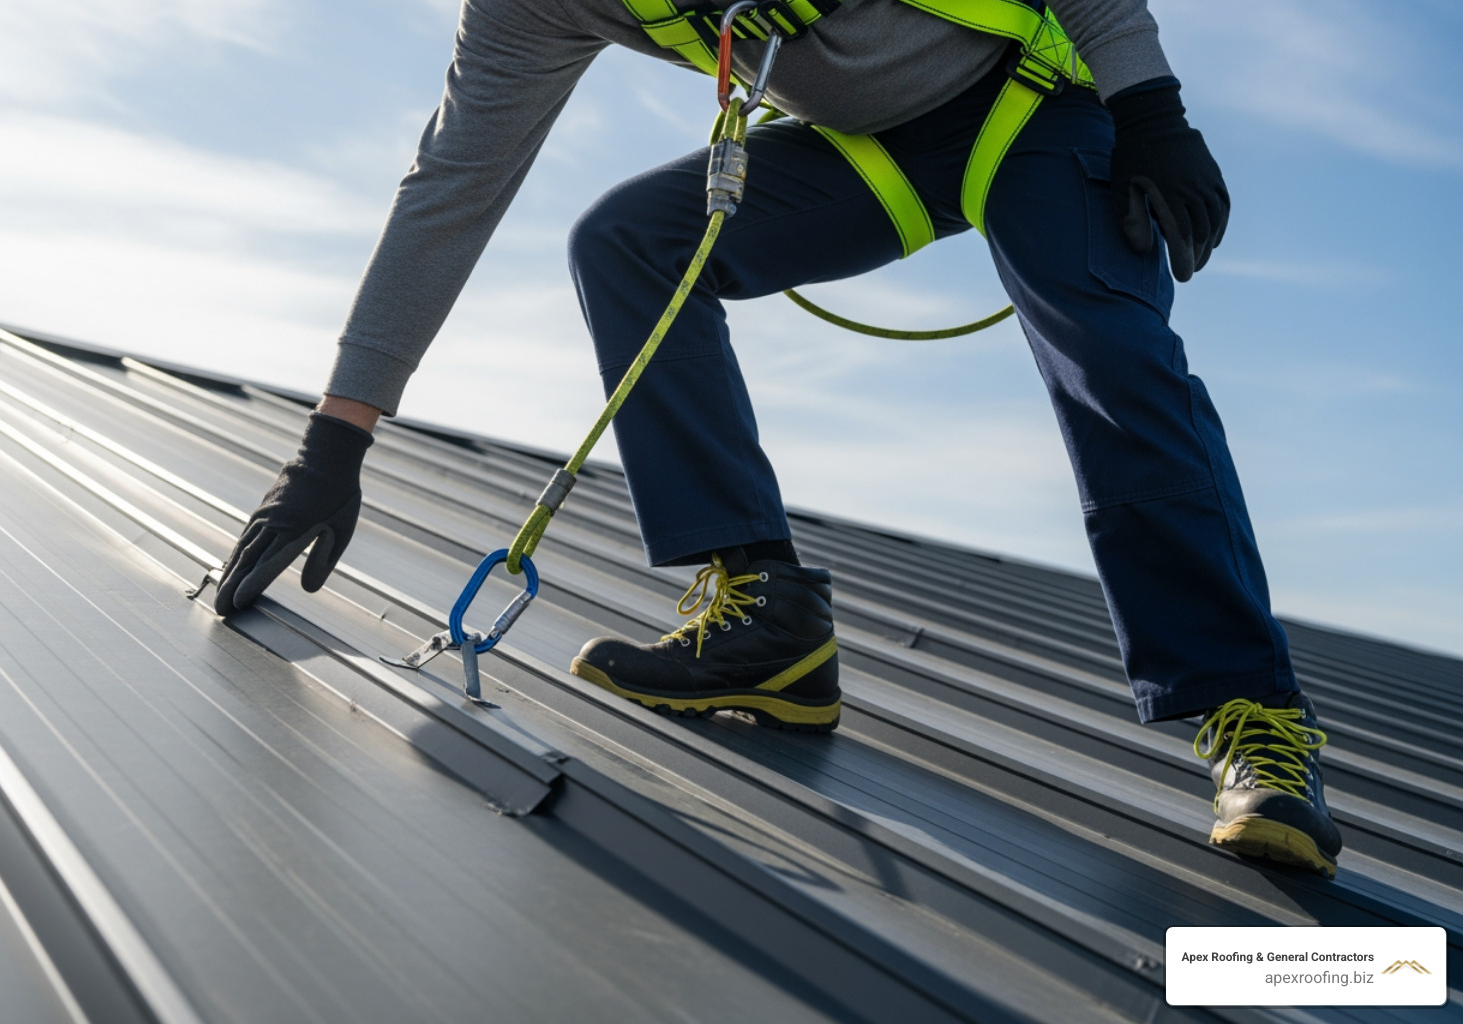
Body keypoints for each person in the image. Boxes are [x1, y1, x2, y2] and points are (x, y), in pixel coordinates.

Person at [212, 0, 1342, 877]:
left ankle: (1254, 720)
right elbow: (450, 187)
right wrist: (334, 443)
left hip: (1034, 99)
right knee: (631, 243)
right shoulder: (523, 12)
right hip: (871, 148)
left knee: (1111, 356)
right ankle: (767, 619)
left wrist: (1150, 105)